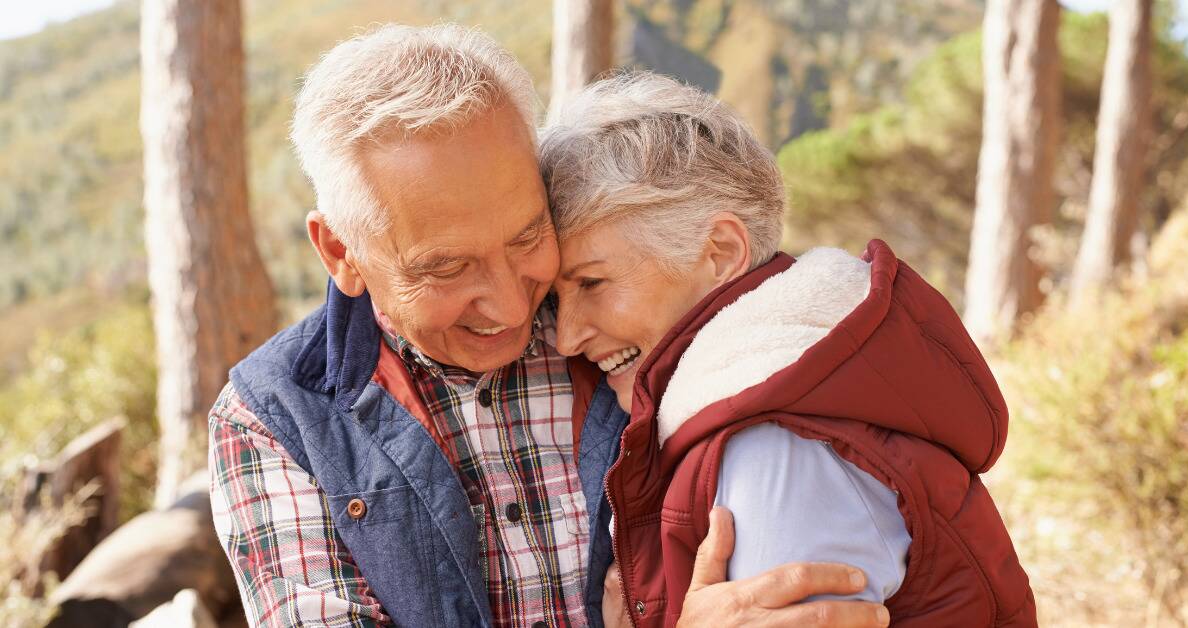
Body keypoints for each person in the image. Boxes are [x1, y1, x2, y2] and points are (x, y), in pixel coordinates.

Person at [208, 25, 889, 627]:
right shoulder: (272, 421)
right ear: (339, 253)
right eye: (446, 268)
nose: (511, 308)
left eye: (529, 236)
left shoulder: (627, 324)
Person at [540, 72, 1038, 627]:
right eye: (554, 300)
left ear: (722, 252)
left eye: (591, 283)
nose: (567, 336)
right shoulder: (767, 397)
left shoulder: (776, 449)